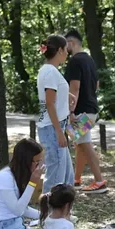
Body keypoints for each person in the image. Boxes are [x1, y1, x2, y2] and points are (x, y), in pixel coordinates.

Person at [64, 29, 107, 194]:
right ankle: (76, 179)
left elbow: (74, 87)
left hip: (80, 110)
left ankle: (99, 181)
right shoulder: (89, 60)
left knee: (84, 144)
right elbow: (96, 85)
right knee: (80, 143)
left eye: (65, 44)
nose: (63, 48)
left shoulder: (75, 61)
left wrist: (71, 111)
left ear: (72, 43)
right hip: (92, 109)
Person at [37, 35, 74, 194]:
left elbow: (53, 95)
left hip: (55, 126)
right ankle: (49, 214)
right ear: (59, 50)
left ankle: (63, 212)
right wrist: (59, 132)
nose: (67, 53)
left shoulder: (49, 70)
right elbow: (49, 102)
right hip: (52, 128)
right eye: (66, 49)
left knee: (67, 176)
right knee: (56, 177)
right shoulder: (50, 71)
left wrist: (67, 95)